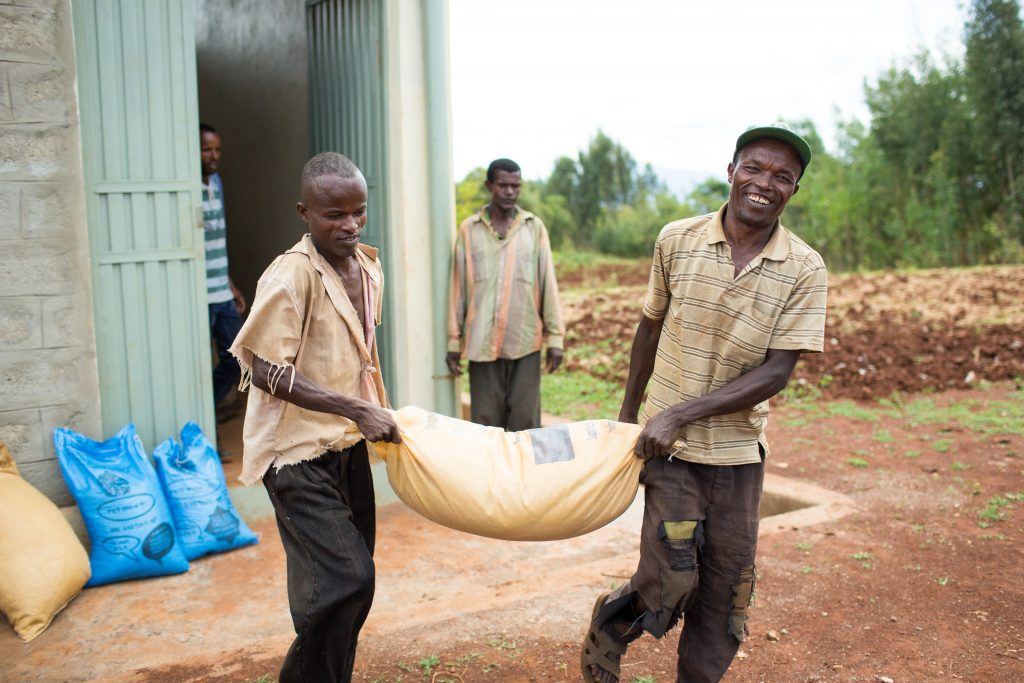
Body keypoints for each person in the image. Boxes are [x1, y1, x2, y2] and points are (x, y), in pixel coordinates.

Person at [580, 123, 828, 683]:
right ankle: (613, 621)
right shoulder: (677, 239)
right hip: (670, 451)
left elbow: (777, 371)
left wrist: (683, 413)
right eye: (756, 168)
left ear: (793, 190)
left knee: (727, 591)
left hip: (738, 455)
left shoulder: (805, 268)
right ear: (732, 170)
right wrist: (630, 419)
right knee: (671, 576)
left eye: (782, 176)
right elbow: (650, 328)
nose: (765, 183)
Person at [229, 152, 401, 683]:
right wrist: (356, 408)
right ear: (304, 212)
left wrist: (371, 411)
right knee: (346, 579)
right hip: (294, 454)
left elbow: (355, 356)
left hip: (345, 446)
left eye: (359, 211)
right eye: (334, 215)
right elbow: (262, 370)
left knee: (342, 587)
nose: (349, 225)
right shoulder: (290, 276)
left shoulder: (368, 267)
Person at [445, 158, 566, 430]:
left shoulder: (534, 228)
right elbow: (457, 290)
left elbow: (548, 283)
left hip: (525, 342)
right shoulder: (469, 230)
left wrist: (555, 337)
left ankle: (524, 475)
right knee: (485, 427)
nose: (510, 191)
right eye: (503, 185)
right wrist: (454, 342)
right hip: (481, 345)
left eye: (515, 186)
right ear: (490, 185)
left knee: (526, 425)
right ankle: (490, 475)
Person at [200, 123, 246, 421]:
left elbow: (216, 242)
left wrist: (231, 285)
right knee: (198, 366)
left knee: (236, 358)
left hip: (220, 290)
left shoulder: (216, 182)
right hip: (199, 295)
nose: (213, 155)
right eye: (206, 149)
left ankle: (210, 412)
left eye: (217, 149)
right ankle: (207, 430)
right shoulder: (187, 187)